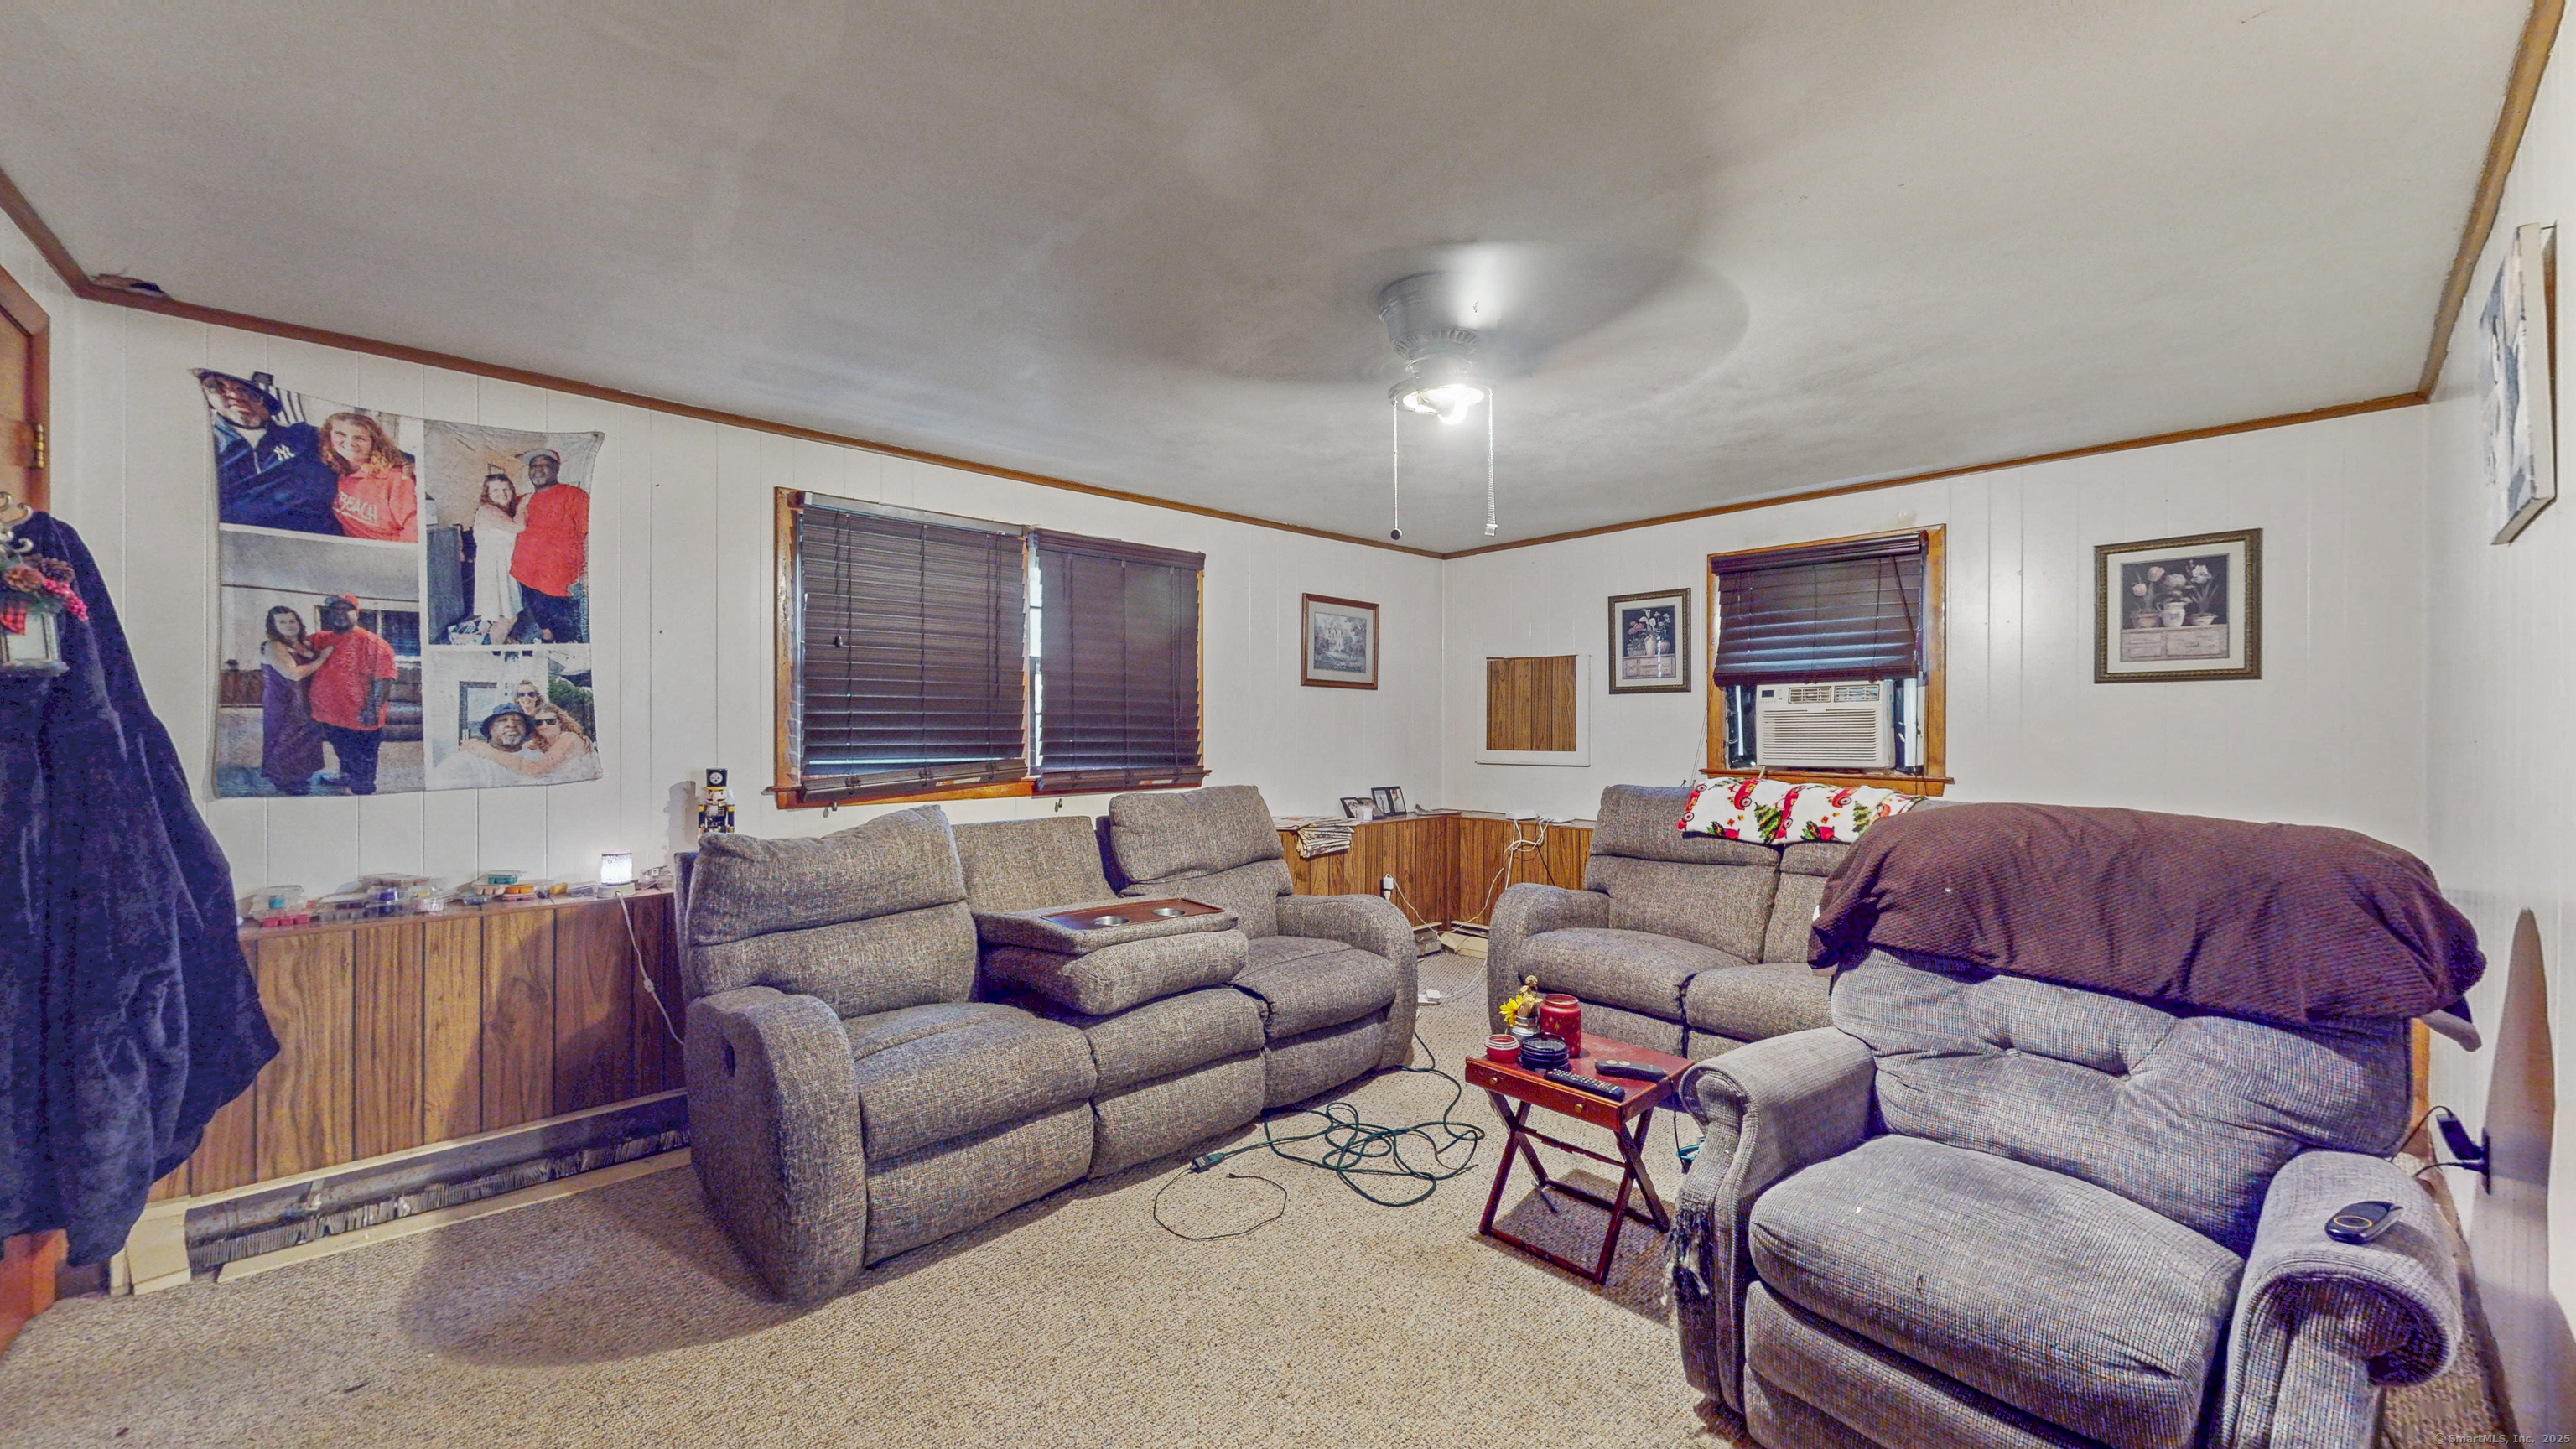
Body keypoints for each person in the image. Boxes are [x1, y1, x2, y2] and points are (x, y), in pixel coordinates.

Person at [198, 371, 340, 535]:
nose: (235, 395)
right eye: (217, 387)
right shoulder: (204, 443)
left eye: (248, 392)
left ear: (267, 405)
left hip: (314, 539)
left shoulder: (304, 435)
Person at [304, 595, 397, 795]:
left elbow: (384, 679)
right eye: (335, 609)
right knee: (344, 752)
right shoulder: (320, 639)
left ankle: (362, 795)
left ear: (357, 613)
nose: (339, 614)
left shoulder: (374, 644)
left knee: (363, 762)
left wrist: (372, 709)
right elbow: (292, 646)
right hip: (328, 715)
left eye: (345, 609)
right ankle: (344, 776)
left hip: (360, 717)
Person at [508, 449, 587, 642]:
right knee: (539, 614)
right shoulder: (522, 500)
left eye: (545, 464)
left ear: (557, 468)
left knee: (564, 628)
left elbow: (589, 534)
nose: (538, 469)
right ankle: (546, 637)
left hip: (559, 578)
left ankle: (565, 657)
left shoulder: (575, 495)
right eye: (534, 465)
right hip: (525, 572)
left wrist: (587, 571)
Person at [257, 605, 333, 795]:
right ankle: (283, 779)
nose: (289, 625)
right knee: (285, 738)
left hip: (306, 699)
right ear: (273, 626)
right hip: (283, 699)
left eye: (292, 620)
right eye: (282, 622)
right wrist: (322, 658)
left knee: (307, 737)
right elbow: (293, 673)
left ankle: (301, 775)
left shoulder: (305, 644)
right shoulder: (273, 646)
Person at [316, 411, 419, 542]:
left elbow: (414, 530)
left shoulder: (395, 479)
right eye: (341, 434)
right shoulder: (334, 469)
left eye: (359, 438)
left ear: (374, 442)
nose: (350, 443)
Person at [469, 466, 523, 638]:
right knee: (509, 617)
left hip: (500, 569)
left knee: (500, 615)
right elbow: (519, 527)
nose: (503, 493)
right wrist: (524, 505)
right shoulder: (488, 510)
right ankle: (496, 651)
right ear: (488, 494)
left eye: (506, 488)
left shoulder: (500, 511)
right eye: (496, 490)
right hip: (495, 572)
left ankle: (499, 641)